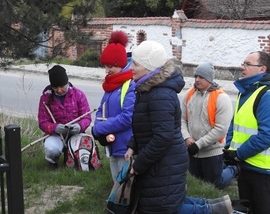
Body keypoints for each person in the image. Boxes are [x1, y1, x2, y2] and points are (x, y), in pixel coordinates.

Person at [123, 40, 190, 214]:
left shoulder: (160, 94)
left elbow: (163, 137)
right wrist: (133, 145)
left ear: (149, 67)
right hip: (159, 162)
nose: (131, 67)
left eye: (136, 64)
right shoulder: (148, 88)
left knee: (161, 208)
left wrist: (139, 164)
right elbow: (146, 125)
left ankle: (217, 209)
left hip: (166, 163)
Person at [223, 51, 270, 214]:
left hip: (265, 171)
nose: (242, 67)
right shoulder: (246, 91)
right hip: (245, 165)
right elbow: (235, 123)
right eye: (243, 63)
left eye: (247, 64)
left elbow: (266, 136)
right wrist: (230, 148)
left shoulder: (268, 95)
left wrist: (238, 154)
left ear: (262, 69)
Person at [92, 31, 136, 188]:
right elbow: (102, 109)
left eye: (110, 66)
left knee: (124, 187)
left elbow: (127, 118)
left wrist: (99, 128)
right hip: (112, 144)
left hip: (125, 146)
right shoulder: (111, 85)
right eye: (105, 66)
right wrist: (98, 128)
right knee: (116, 183)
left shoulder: (130, 85)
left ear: (120, 64)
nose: (107, 70)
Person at [181, 62, 233, 189]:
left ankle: (233, 169)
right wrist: (187, 138)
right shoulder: (189, 94)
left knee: (215, 185)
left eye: (201, 77)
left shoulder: (221, 98)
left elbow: (221, 129)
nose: (197, 80)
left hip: (212, 152)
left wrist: (199, 145)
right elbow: (181, 119)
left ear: (209, 79)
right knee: (196, 186)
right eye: (196, 76)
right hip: (192, 150)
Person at [37, 65, 92, 169]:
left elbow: (87, 117)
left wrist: (80, 126)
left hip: (76, 133)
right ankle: (53, 163)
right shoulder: (45, 98)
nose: (59, 90)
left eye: (62, 86)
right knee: (51, 149)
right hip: (56, 135)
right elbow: (42, 122)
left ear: (67, 82)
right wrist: (55, 128)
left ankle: (73, 160)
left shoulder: (78, 95)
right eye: (55, 87)